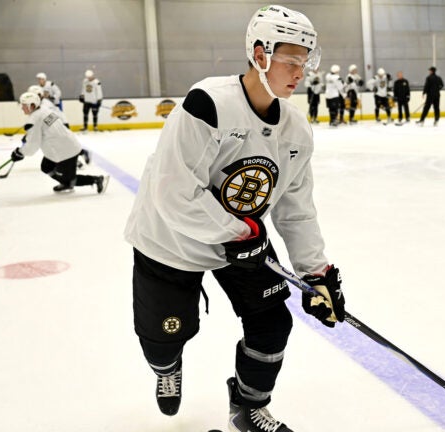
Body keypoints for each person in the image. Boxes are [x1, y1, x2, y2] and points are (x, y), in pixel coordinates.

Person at [123, 5, 346, 432]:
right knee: (164, 336)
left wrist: (317, 272)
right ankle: (166, 367)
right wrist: (239, 234)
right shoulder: (207, 105)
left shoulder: (295, 130)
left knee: (273, 324)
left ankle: (247, 407)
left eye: (306, 61)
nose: (301, 72)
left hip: (240, 241)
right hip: (169, 239)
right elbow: (172, 192)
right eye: (292, 59)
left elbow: (296, 208)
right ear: (260, 54)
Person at [10, 91, 108, 194]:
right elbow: (46, 128)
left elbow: (33, 145)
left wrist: (19, 153)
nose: (22, 108)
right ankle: (66, 183)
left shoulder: (34, 120)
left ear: (32, 105)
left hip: (65, 152)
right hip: (63, 146)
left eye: (24, 105)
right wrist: (30, 135)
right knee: (46, 167)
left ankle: (96, 179)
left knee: (70, 180)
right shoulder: (44, 110)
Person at [27, 85, 91, 168]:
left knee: (62, 145)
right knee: (63, 145)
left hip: (61, 124)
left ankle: (78, 158)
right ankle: (80, 156)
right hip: (56, 125)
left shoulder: (45, 104)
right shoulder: (39, 105)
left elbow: (49, 118)